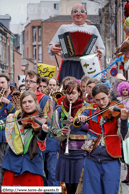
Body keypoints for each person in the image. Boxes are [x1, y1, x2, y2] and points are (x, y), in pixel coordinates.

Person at [75, 83, 128, 194]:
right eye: (97, 100)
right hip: (92, 158)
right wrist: (79, 119)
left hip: (111, 159)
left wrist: (123, 120)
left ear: (108, 94)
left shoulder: (117, 111)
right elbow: (74, 127)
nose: (101, 102)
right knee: (90, 191)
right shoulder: (89, 110)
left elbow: (123, 135)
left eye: (103, 98)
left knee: (110, 191)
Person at [1, 90, 48, 191]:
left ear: (36, 103)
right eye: (24, 102)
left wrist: (43, 132)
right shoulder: (12, 118)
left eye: (30, 102)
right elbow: (3, 124)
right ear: (21, 105)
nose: (27, 105)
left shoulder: (41, 120)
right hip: (13, 163)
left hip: (31, 165)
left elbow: (40, 144)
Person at [48, 3, 105, 83]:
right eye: (75, 11)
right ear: (71, 15)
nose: (78, 14)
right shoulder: (63, 28)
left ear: (86, 15)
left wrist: (100, 53)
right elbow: (50, 46)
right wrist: (51, 48)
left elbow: (102, 49)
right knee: (67, 91)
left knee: (86, 90)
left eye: (82, 11)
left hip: (88, 66)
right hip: (68, 65)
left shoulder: (93, 29)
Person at [51, 80, 88, 194]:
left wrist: (80, 123)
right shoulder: (59, 110)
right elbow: (53, 130)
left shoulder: (87, 109)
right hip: (65, 153)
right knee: (68, 187)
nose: (70, 96)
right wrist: (60, 132)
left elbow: (93, 127)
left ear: (79, 93)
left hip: (82, 153)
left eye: (73, 93)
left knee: (80, 185)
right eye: (68, 93)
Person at [0, 74, 16, 188]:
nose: (0, 85)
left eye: (2, 83)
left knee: (3, 165)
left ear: (8, 82)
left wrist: (7, 103)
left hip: (8, 137)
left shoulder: (15, 96)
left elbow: (18, 114)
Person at [117, 81, 129, 185]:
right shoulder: (117, 100)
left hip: (128, 126)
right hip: (119, 126)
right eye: (123, 89)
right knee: (123, 150)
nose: (125, 91)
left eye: (126, 89)